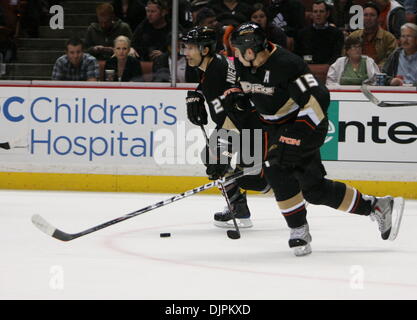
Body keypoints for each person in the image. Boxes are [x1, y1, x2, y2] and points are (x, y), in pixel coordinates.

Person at [229, 22, 404, 256]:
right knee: (314, 190)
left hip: (306, 125)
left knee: (275, 166)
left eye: (238, 52)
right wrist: (233, 100)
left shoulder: (287, 64)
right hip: (275, 127)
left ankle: (298, 229)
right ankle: (376, 206)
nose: (235, 56)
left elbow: (319, 98)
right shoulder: (242, 65)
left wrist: (295, 135)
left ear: (250, 51)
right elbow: (235, 87)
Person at [182, 26, 270, 228]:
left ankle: (298, 190)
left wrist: (223, 148)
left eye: (190, 48)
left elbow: (238, 107)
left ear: (205, 50)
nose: (186, 53)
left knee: (255, 180)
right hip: (240, 123)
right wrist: (199, 94)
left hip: (252, 125)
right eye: (185, 47)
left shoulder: (217, 69)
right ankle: (239, 209)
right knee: (213, 157)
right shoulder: (211, 66)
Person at [347, 2, 397, 69]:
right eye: (365, 15)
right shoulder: (353, 36)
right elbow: (345, 57)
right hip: (356, 73)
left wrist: (373, 69)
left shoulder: (389, 38)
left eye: (372, 15)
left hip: (378, 74)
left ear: (379, 18)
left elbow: (391, 60)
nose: (368, 18)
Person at [294, 0, 344, 65]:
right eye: (315, 12)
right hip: (307, 69)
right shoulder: (302, 34)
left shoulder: (337, 34)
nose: (318, 14)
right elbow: (297, 56)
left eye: (321, 11)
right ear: (311, 15)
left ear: (327, 14)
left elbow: (336, 57)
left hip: (329, 70)